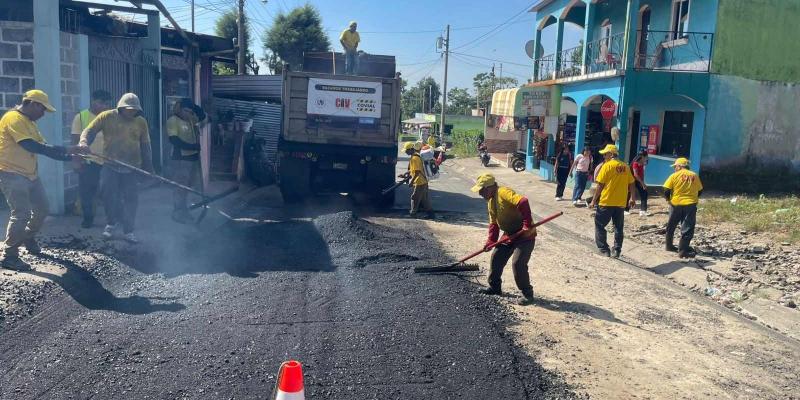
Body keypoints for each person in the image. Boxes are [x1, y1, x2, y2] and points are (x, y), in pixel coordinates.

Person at [0, 90, 86, 269]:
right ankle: (9, 256)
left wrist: (72, 156)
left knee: (42, 209)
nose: (43, 114)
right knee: (21, 214)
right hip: (12, 173)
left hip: (30, 174)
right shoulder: (13, 119)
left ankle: (27, 237)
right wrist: (68, 149)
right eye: (43, 109)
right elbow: (30, 145)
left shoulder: (29, 123)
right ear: (33, 104)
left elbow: (45, 149)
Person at [79, 93, 153, 243]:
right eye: (129, 109)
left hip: (132, 167)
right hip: (110, 165)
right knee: (109, 196)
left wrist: (149, 167)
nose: (132, 112)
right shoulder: (107, 117)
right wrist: (84, 142)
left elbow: (145, 145)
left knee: (131, 199)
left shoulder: (140, 122)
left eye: (134, 110)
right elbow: (89, 131)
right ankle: (111, 224)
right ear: (121, 107)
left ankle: (128, 230)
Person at [471, 173, 537, 305]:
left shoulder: (503, 192)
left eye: (481, 190)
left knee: (518, 263)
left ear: (489, 188)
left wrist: (527, 224)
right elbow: (494, 224)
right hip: (509, 234)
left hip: (524, 235)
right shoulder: (490, 202)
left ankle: (527, 294)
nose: (480, 193)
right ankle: (495, 288)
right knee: (496, 257)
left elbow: (523, 201)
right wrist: (490, 242)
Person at [71, 90, 113, 228]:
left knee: (110, 191)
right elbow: (75, 141)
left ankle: (113, 219)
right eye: (101, 103)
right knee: (87, 192)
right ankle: (88, 218)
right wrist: (76, 161)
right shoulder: (81, 117)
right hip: (88, 161)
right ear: (93, 101)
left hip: (108, 160)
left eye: (107, 103)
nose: (104, 106)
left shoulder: (110, 117)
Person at [589, 144, 636, 258]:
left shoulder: (607, 166)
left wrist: (593, 201)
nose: (604, 156)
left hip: (607, 201)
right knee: (618, 227)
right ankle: (617, 250)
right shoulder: (625, 166)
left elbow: (600, 185)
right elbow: (632, 183)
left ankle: (604, 249)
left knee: (599, 224)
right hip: (620, 203)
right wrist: (632, 198)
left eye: (605, 154)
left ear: (611, 154)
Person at [167, 98, 206, 223]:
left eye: (190, 111)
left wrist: (195, 107)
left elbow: (203, 116)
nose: (187, 113)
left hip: (193, 158)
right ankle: (178, 212)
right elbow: (174, 140)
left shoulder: (191, 120)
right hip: (180, 159)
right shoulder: (173, 120)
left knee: (188, 187)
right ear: (179, 109)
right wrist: (192, 146)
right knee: (180, 187)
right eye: (185, 110)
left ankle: (184, 211)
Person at [663, 157, 703, 258]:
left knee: (671, 225)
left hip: (675, 204)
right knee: (687, 227)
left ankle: (669, 246)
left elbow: (666, 190)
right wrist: (693, 198)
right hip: (690, 204)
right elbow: (700, 190)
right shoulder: (694, 175)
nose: (674, 168)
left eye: (675, 166)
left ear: (680, 166)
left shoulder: (674, 176)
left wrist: (669, 200)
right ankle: (682, 250)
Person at [402, 141, 434, 219]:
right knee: (424, 199)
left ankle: (413, 214)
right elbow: (413, 170)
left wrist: (411, 182)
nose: (405, 152)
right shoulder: (416, 156)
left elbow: (417, 172)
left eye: (406, 150)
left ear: (410, 149)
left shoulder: (414, 158)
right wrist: (405, 174)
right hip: (423, 181)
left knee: (414, 198)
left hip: (420, 181)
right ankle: (431, 214)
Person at [626, 151, 649, 216]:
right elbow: (635, 175)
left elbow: (642, 174)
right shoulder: (635, 163)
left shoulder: (642, 163)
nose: (647, 158)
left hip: (638, 180)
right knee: (628, 194)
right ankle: (626, 210)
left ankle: (643, 211)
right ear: (642, 156)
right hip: (632, 180)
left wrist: (643, 182)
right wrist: (642, 183)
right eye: (646, 156)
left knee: (644, 193)